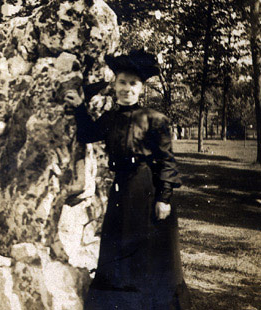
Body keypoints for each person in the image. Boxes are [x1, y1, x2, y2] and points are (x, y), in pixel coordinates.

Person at [64, 50, 191, 309]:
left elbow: (167, 162)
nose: (127, 89)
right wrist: (79, 105)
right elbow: (87, 133)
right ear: (115, 85)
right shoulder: (110, 118)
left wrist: (164, 198)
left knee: (146, 253)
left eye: (133, 84)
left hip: (146, 189)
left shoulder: (155, 119)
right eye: (122, 82)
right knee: (117, 250)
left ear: (141, 88)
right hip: (121, 189)